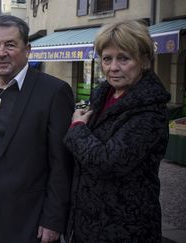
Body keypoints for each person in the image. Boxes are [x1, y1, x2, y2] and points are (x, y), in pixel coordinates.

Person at [0, 15, 74, 243]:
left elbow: (61, 163)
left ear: (27, 49)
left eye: (10, 45)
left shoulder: (54, 92)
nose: (1, 52)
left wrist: (53, 219)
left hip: (25, 220)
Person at [63, 20, 171, 242]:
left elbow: (108, 162)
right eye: (107, 59)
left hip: (124, 228)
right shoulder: (102, 95)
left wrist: (77, 129)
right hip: (88, 223)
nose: (113, 67)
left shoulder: (150, 111)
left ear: (143, 60)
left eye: (123, 58)